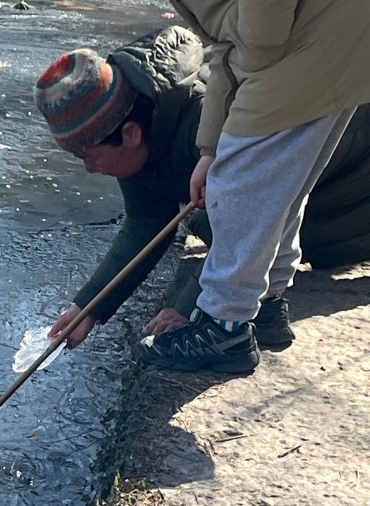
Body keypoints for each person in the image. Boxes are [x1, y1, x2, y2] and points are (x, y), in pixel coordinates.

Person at [45, 0, 370, 373]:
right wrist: (210, 148)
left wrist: (262, 46)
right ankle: (265, 304)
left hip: (324, 22)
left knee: (244, 183)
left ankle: (222, 326)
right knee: (264, 179)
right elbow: (222, 45)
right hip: (347, 20)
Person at [35, 25, 370, 351]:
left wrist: (190, 307)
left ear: (130, 134)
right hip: (290, 168)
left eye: (88, 156)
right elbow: (143, 229)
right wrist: (88, 308)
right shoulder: (130, 118)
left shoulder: (203, 125)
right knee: (206, 218)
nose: (88, 169)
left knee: (270, 230)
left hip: (347, 149)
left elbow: (249, 221)